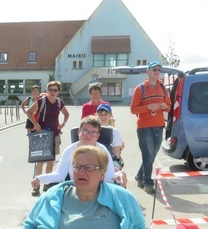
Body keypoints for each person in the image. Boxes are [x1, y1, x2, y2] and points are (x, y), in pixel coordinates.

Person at [31, 115, 126, 191]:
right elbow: (59, 175)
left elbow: (109, 178)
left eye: (93, 132)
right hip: (75, 193)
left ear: (97, 136)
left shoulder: (103, 151)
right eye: (85, 131)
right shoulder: (69, 150)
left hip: (98, 193)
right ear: (79, 132)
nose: (88, 135)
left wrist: (120, 174)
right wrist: (40, 179)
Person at [129, 61, 170, 194]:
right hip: (145, 127)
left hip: (159, 126)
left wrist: (165, 106)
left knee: (151, 156)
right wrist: (148, 107)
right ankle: (148, 183)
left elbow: (169, 105)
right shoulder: (140, 89)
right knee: (148, 155)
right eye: (154, 70)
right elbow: (133, 109)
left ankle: (139, 176)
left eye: (159, 70)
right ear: (147, 72)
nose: (157, 72)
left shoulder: (163, 88)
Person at [26, 80, 70, 196]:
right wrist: (35, 124)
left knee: (50, 161)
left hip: (54, 135)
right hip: (42, 135)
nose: (52, 92)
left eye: (55, 90)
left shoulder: (59, 103)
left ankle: (47, 183)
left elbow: (67, 114)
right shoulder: (41, 101)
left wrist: (63, 124)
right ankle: (37, 186)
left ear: (58, 92)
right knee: (40, 161)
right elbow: (29, 112)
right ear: (47, 91)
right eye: (50, 90)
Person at [96, 103, 126, 169]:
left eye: (106, 114)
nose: (103, 117)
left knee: (116, 170)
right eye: (100, 114)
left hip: (111, 159)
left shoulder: (115, 131)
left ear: (110, 116)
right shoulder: (92, 130)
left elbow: (116, 153)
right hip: (94, 159)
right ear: (97, 116)